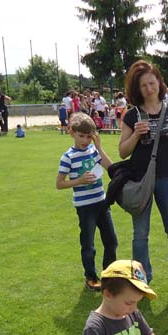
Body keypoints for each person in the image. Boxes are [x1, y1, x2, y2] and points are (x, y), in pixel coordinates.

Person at [118, 60, 168, 293]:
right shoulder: (132, 115)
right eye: (143, 85)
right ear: (137, 88)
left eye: (152, 83)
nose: (149, 89)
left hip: (167, 178)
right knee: (140, 234)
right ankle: (142, 279)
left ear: (159, 83)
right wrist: (135, 136)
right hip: (140, 181)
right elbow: (122, 151)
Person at [56, 112, 117, 291]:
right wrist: (79, 181)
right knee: (88, 244)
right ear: (72, 133)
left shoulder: (93, 150)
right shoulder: (68, 157)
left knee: (111, 241)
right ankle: (90, 277)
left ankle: (109, 276)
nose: (85, 140)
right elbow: (59, 184)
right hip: (85, 207)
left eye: (89, 136)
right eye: (81, 136)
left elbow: (110, 167)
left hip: (102, 202)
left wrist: (99, 148)